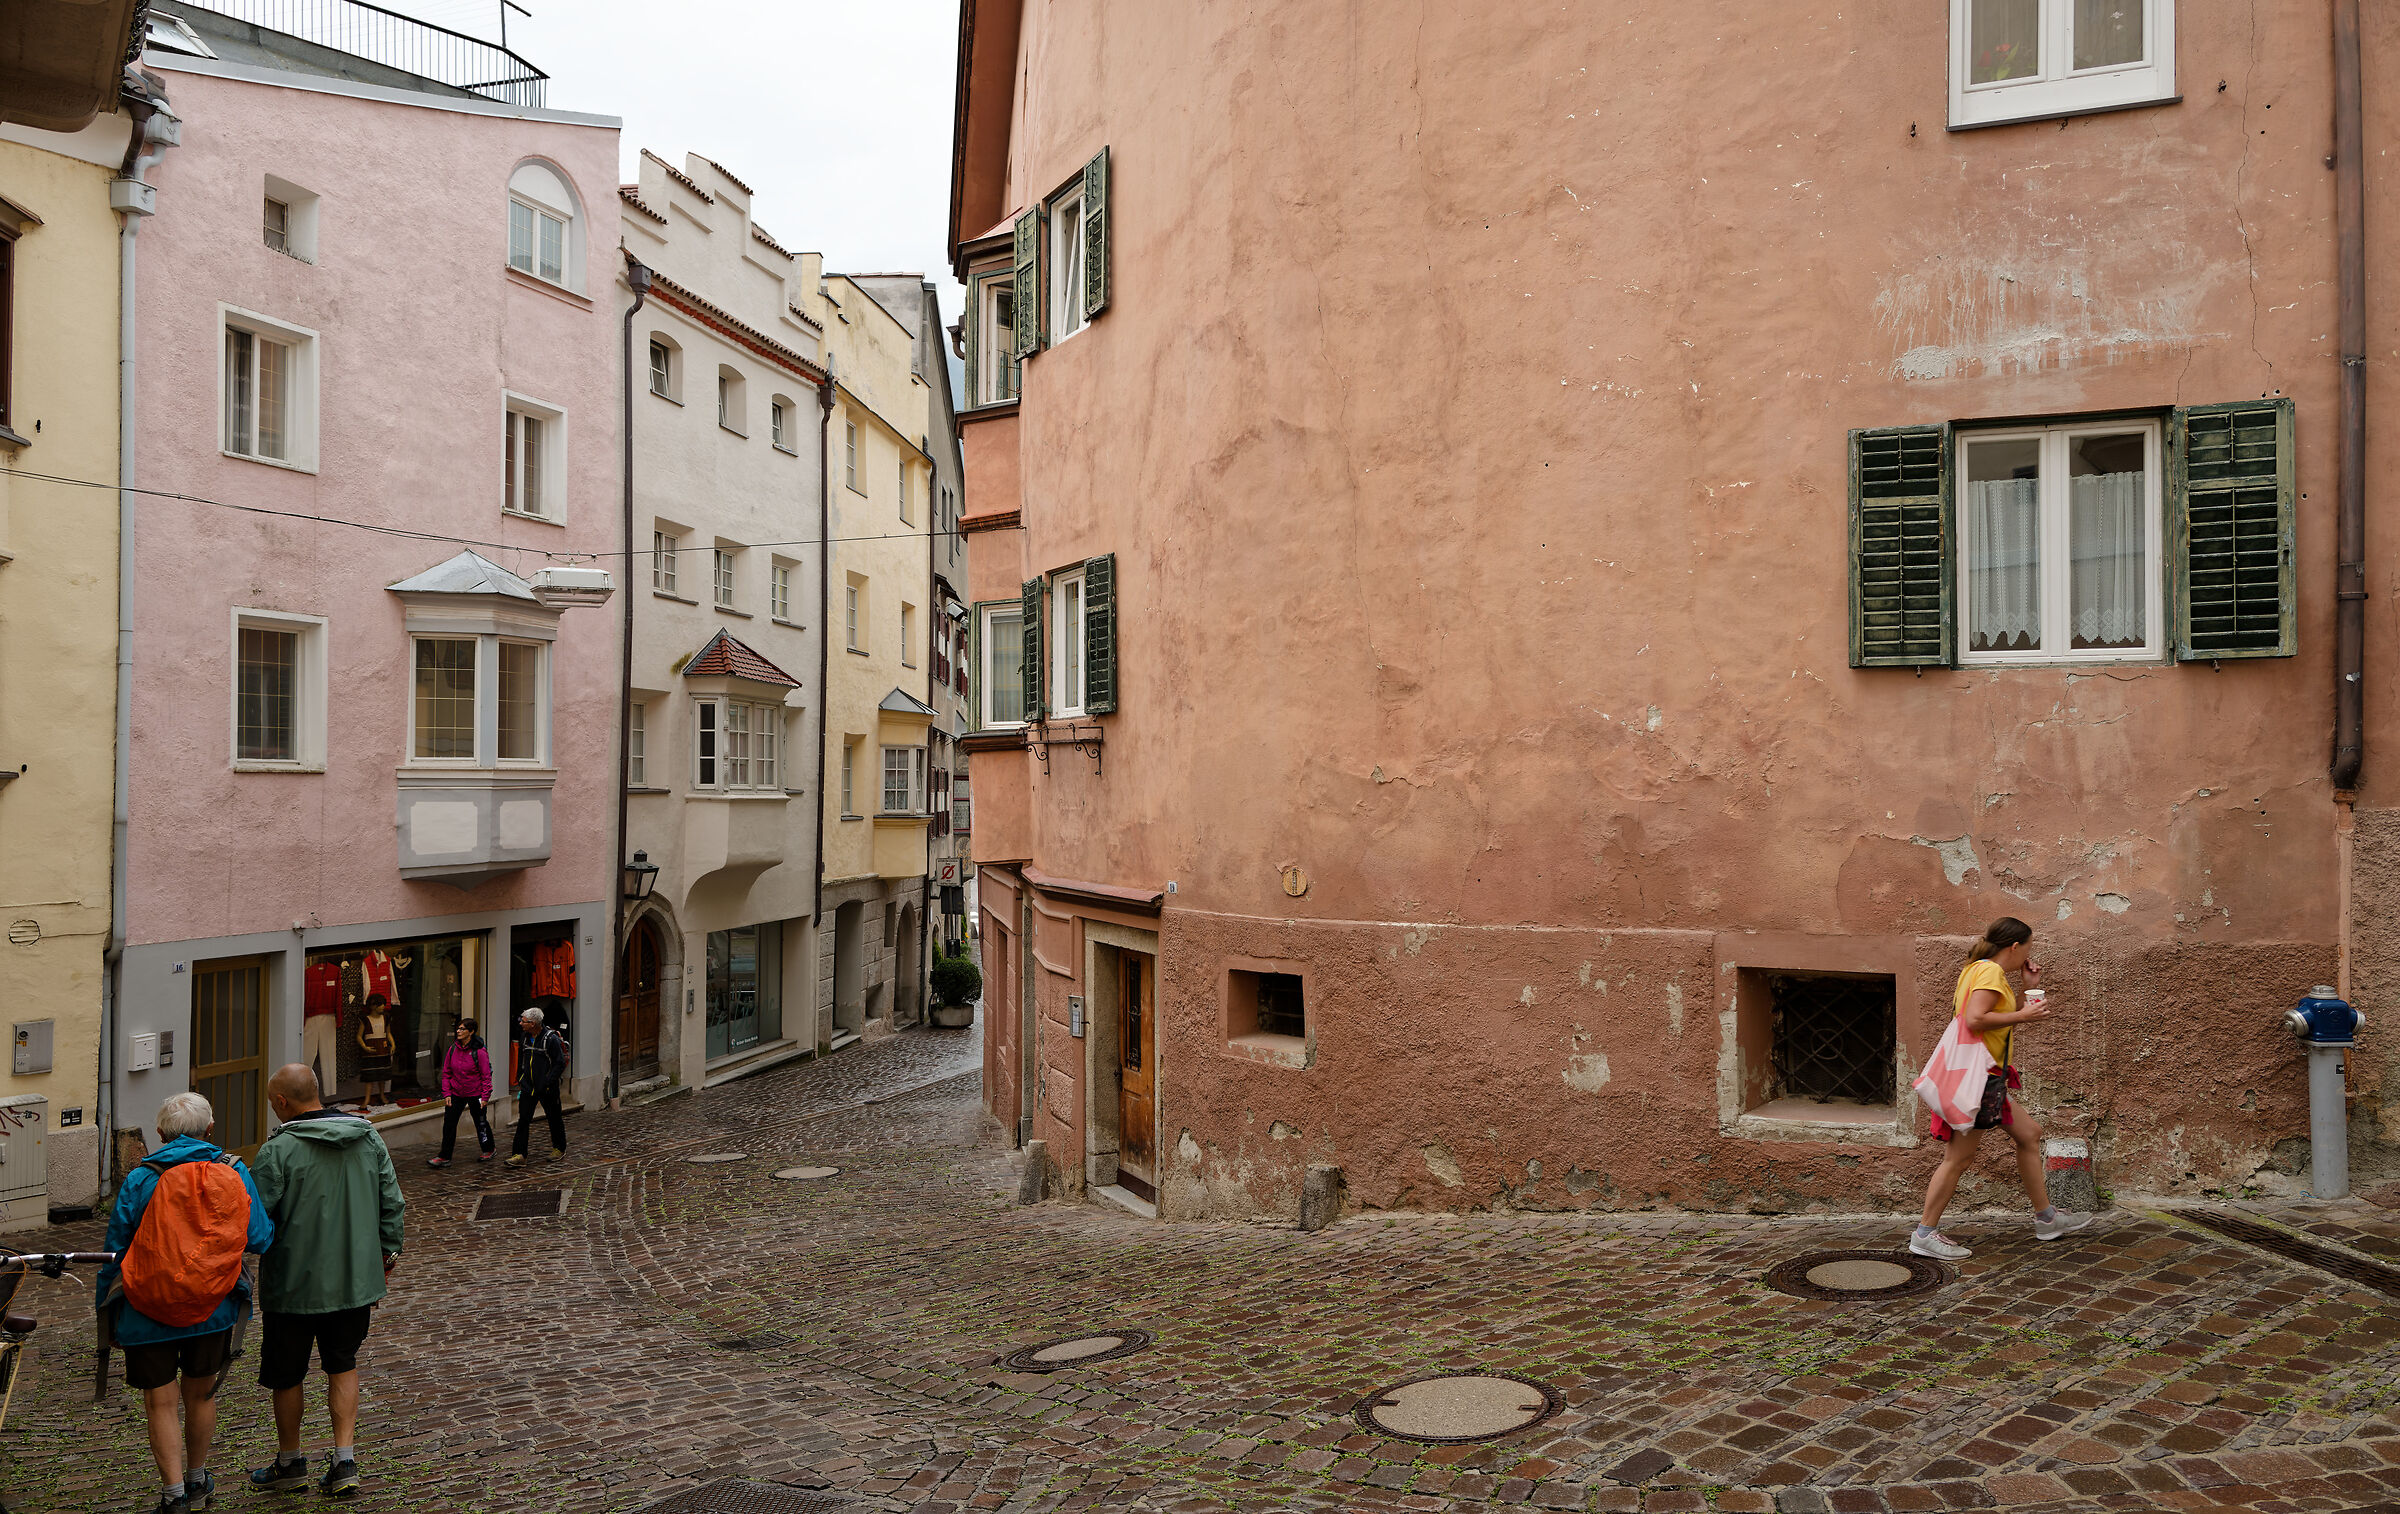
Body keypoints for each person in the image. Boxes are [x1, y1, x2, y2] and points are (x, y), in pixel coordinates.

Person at [96, 1094, 274, 1514]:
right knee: (201, 1395)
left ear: (160, 1134)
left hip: (146, 1307)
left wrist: (107, 1310)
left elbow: (115, 1251)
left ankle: (173, 1495)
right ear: (210, 1129)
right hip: (213, 1306)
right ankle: (196, 1481)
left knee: (159, 1402)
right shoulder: (234, 1170)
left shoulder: (141, 1178)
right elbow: (259, 1238)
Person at [247, 1065, 404, 1499]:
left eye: (271, 1101)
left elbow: (256, 1221)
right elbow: (391, 1203)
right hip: (353, 1279)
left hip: (293, 1284)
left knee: (287, 1374)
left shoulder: (277, 1150)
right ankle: (344, 1459)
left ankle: (290, 1461)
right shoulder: (367, 1137)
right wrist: (386, 1258)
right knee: (343, 1363)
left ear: (282, 1102)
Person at [1913, 918, 2093, 1259]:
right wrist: (2024, 1016)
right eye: (2028, 947)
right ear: (2014, 947)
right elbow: (1975, 1019)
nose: (2028, 954)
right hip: (1978, 1080)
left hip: (1987, 1076)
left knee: (2029, 1134)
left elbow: (1991, 1017)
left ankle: (2047, 1218)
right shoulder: (1990, 972)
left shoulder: (1978, 969)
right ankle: (1924, 1234)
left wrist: (2027, 988)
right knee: (1958, 1158)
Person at [506, 1007, 568, 1166]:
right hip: (528, 1087)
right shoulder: (524, 1037)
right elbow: (521, 1060)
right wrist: (521, 1078)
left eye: (523, 1021)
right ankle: (519, 1154)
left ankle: (559, 1148)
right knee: (523, 1120)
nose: (520, 1023)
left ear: (533, 1024)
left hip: (547, 1088)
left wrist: (547, 1082)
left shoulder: (551, 1039)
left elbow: (559, 1063)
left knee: (554, 1118)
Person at [429, 1018, 495, 1167]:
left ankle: (488, 1149)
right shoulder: (453, 1049)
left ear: (471, 1032)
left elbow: (486, 1076)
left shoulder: (479, 1051)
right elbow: (446, 1073)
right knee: (449, 1124)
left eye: (462, 1029)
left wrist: (485, 1096)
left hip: (475, 1093)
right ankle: (444, 1156)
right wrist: (447, 1093)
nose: (458, 1031)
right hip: (456, 1093)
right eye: (458, 1028)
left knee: (481, 1123)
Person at [354, 994, 395, 1107]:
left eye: (383, 1004)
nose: (382, 1007)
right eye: (380, 1004)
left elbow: (388, 1033)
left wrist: (393, 1044)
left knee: (382, 1076)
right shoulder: (365, 1020)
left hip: (383, 1050)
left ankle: (382, 1095)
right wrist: (365, 1047)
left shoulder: (386, 1018)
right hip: (370, 1052)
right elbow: (359, 1036)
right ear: (372, 1006)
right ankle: (367, 1099)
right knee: (369, 1077)